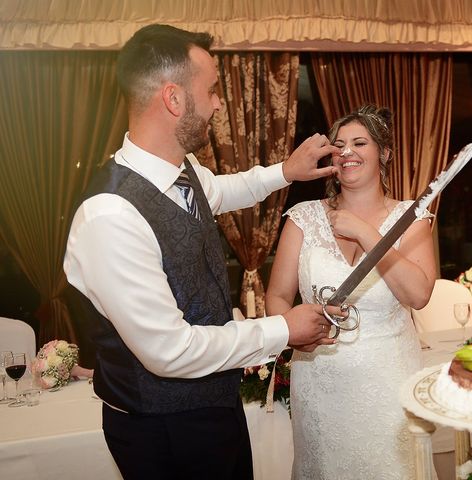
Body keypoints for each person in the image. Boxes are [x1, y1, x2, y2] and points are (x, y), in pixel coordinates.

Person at [63, 24, 341, 480]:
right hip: (163, 430)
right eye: (211, 90)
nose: (218, 103)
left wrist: (285, 171)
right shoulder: (110, 216)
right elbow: (169, 351)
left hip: (214, 406)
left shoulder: (182, 168)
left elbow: (222, 190)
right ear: (173, 99)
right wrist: (281, 329)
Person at [266, 104, 437, 479]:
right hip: (319, 379)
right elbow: (278, 295)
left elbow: (418, 295)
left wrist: (364, 232)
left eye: (360, 142)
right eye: (339, 144)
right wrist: (294, 335)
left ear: (384, 153)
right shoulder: (303, 218)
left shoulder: (412, 218)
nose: (347, 152)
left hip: (389, 378)